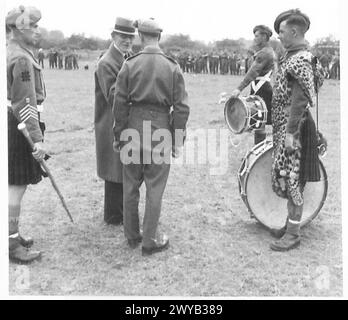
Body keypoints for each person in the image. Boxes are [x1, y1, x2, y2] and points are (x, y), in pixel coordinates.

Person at [112, 18, 190, 255]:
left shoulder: (129, 64)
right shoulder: (172, 66)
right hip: (160, 128)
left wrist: (119, 135)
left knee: (130, 185)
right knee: (155, 187)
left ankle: (132, 236)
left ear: (139, 36)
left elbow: (119, 103)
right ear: (159, 36)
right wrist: (176, 139)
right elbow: (182, 108)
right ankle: (149, 241)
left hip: (133, 127)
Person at [270, 9, 324, 251]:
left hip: (296, 129)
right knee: (287, 177)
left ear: (294, 31)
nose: (279, 36)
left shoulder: (299, 59)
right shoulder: (295, 57)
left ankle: (293, 234)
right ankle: (290, 225)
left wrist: (291, 133)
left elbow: (300, 100)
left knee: (293, 180)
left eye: (281, 32)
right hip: (290, 126)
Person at [7, 5, 48, 263]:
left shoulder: (16, 51)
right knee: (16, 187)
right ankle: (11, 242)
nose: (35, 30)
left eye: (35, 25)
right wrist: (37, 139)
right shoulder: (21, 58)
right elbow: (24, 102)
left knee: (13, 186)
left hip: (14, 121)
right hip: (19, 125)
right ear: (15, 29)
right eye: (30, 26)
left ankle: (11, 234)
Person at [94, 17, 136, 225]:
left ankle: (120, 212)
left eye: (130, 37)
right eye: (123, 36)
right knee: (113, 169)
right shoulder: (107, 62)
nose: (127, 41)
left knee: (123, 167)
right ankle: (113, 215)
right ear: (113, 36)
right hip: (110, 122)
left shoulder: (128, 57)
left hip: (122, 121)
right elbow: (112, 96)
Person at [230, 25, 275, 145]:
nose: (254, 39)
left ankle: (262, 151)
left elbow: (253, 72)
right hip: (258, 87)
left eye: (257, 36)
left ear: (264, 37)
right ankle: (259, 151)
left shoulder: (265, 53)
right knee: (259, 121)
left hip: (262, 88)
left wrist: (239, 88)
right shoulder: (262, 52)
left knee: (261, 120)